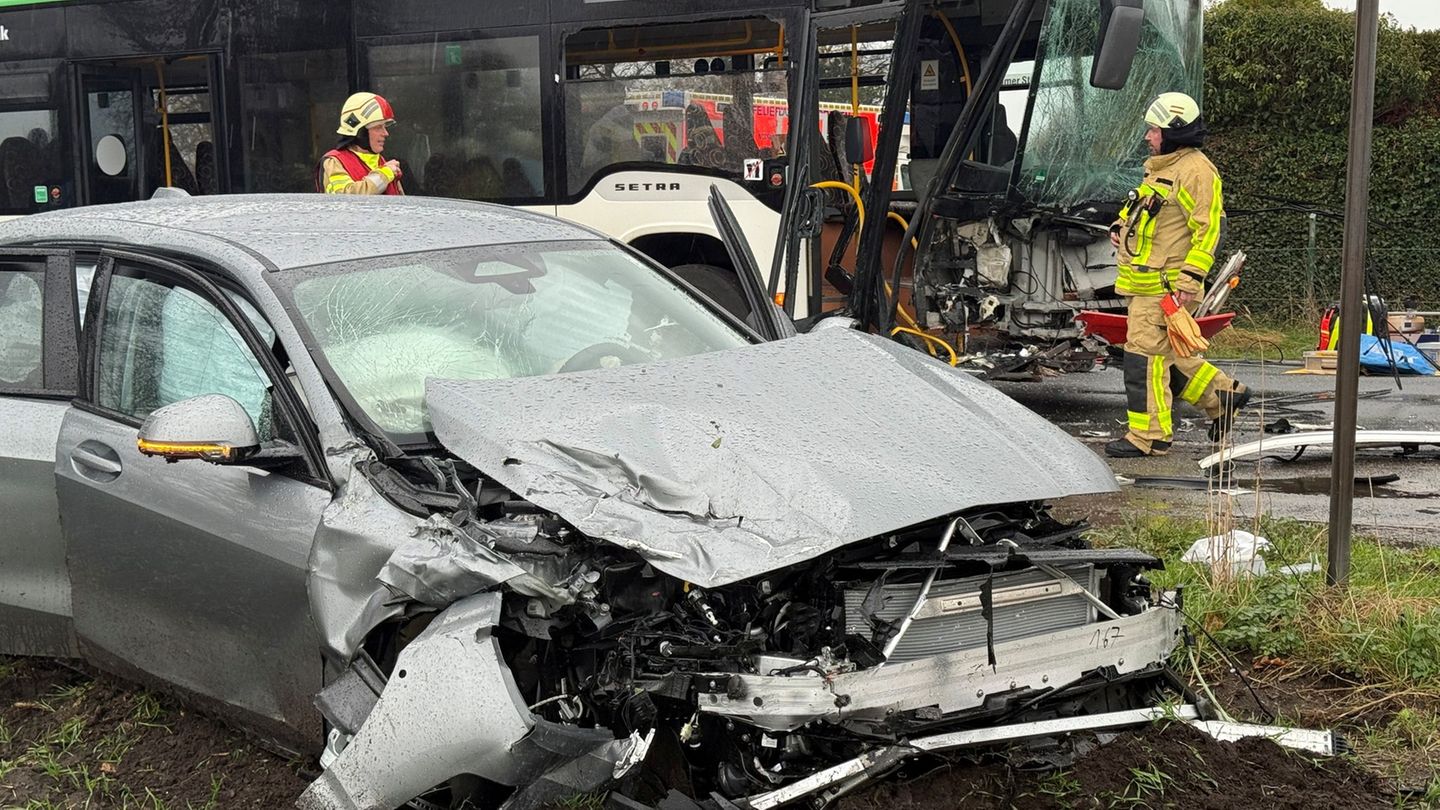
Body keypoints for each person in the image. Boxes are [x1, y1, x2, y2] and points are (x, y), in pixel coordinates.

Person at [1106, 91, 1250, 459]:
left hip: (1166, 286)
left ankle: (1149, 437)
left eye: (1153, 130)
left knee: (1143, 360)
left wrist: (1190, 279)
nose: (1148, 136)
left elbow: (1208, 231)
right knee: (1171, 359)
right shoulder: (1162, 168)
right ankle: (1223, 396)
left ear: (1172, 133)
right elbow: (1150, 214)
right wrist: (1120, 225)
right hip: (1148, 284)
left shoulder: (1196, 171)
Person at [315, 92, 405, 195]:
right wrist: (384, 175)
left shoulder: (383, 164)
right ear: (360, 132)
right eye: (378, 127)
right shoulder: (334, 162)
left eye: (385, 127)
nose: (386, 133)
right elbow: (345, 199)